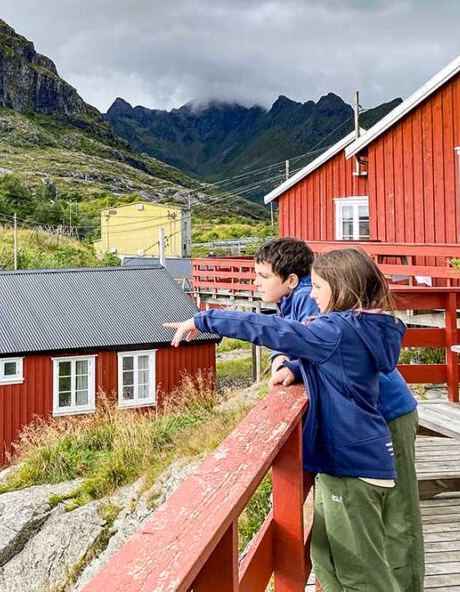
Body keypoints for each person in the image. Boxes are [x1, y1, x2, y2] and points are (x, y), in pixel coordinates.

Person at [166, 248, 405, 592]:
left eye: (319, 287)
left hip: (355, 467)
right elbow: (337, 367)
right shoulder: (360, 326)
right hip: (353, 462)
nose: (313, 295)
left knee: (360, 573)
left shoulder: (335, 330)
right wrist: (295, 367)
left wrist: (205, 319)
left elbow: (272, 329)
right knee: (326, 559)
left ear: (341, 291)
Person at [265, 245, 424, 592]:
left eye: (263, 276)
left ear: (291, 280)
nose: (256, 284)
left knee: (398, 519)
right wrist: (291, 364)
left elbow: (319, 343)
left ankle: (406, 586)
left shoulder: (313, 297)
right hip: (365, 418)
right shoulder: (297, 299)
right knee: (360, 528)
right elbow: (311, 350)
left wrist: (289, 358)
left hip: (385, 414)